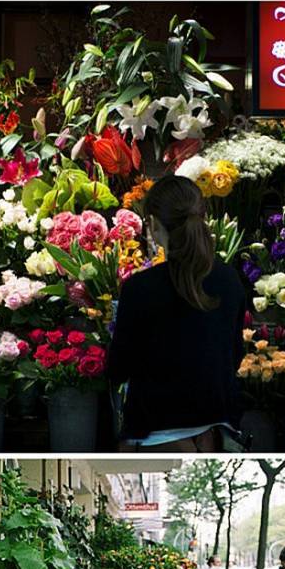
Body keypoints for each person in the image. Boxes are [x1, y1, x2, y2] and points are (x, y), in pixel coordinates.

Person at [108, 175, 245, 450]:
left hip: (155, 433)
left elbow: (119, 368)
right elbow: (235, 354)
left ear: (154, 224)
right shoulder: (230, 279)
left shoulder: (139, 288)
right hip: (216, 432)